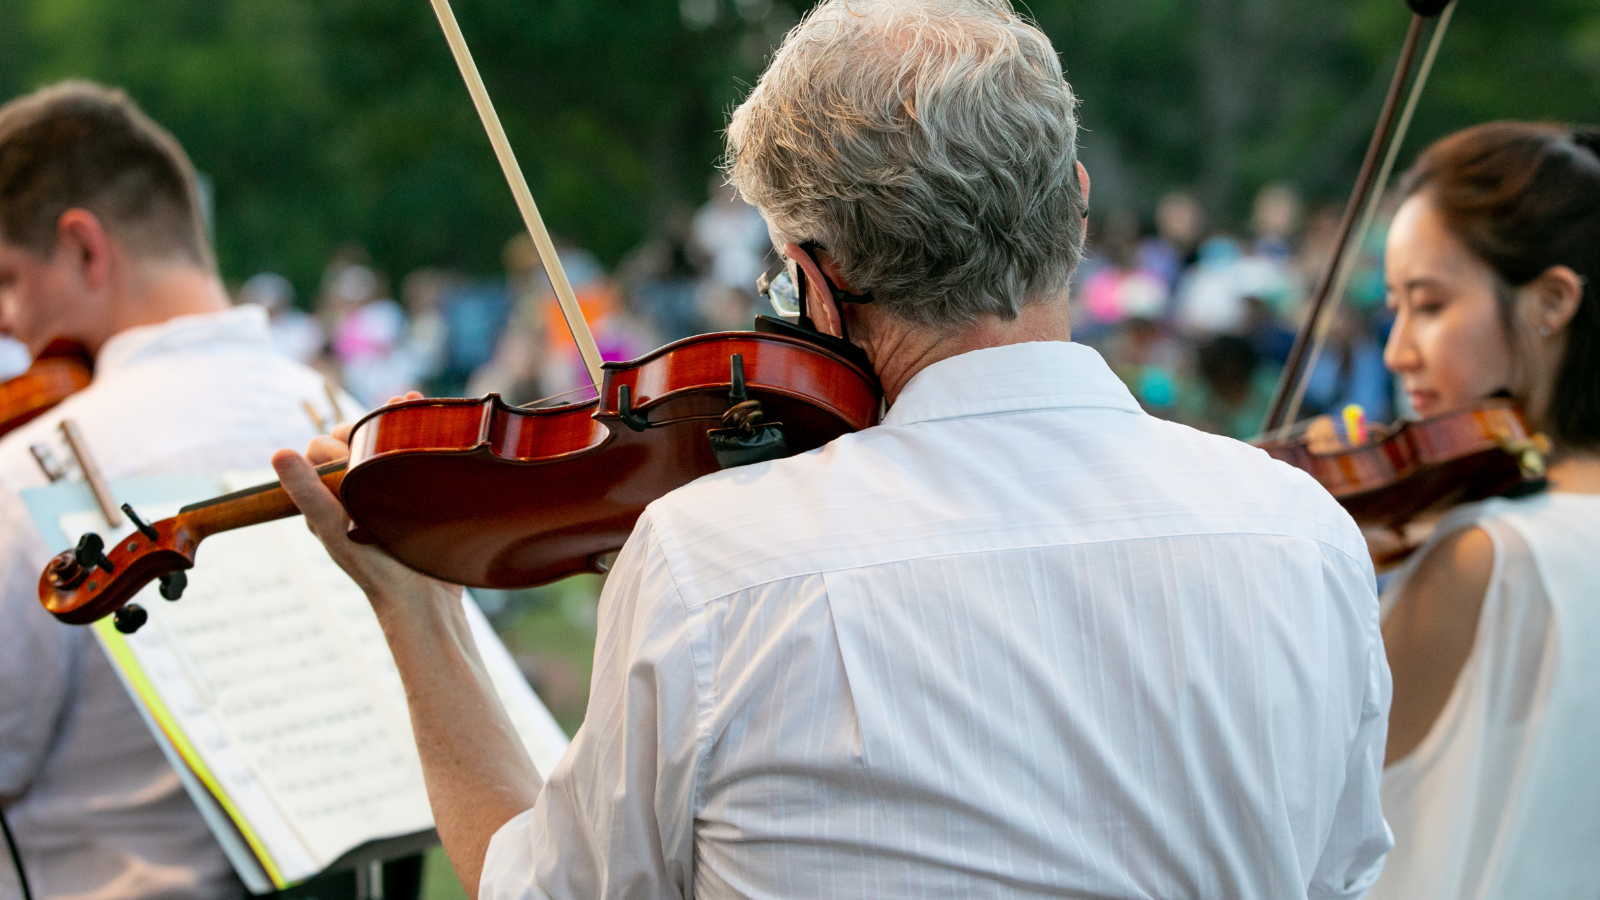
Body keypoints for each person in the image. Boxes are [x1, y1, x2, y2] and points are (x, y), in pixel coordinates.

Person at [274, 2, 1390, 897]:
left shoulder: (713, 566)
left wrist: (416, 615)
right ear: (1077, 209)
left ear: (811, 277)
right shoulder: (1303, 531)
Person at [0, 82, 392, 900]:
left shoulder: (26, 471)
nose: (7, 319)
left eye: (8, 278)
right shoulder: (360, 428)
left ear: (83, 248)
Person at [1369, 122, 1600, 899]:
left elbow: (1304, 809)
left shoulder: (1485, 556)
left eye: (1428, 305)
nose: (1397, 351)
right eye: (1393, 306)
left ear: (1553, 301)